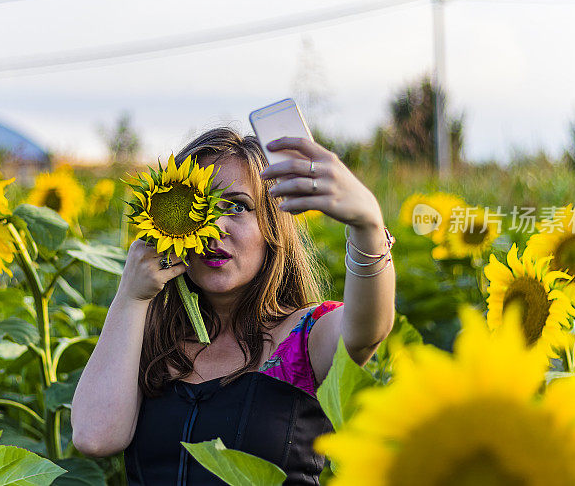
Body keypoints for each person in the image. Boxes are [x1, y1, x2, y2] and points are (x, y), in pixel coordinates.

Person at [71, 127, 396, 485]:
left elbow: (367, 329)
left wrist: (368, 226)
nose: (214, 228)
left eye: (237, 206)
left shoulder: (306, 336)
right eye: (200, 208)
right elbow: (95, 437)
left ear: (272, 225)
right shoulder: (151, 341)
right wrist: (131, 297)